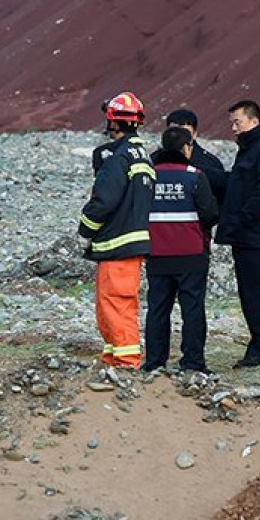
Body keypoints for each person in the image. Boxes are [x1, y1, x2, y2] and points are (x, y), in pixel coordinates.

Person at [78, 91, 155, 369]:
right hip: (126, 245)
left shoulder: (119, 158)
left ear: (113, 121)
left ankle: (125, 362)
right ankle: (113, 358)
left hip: (117, 244)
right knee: (111, 304)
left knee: (117, 304)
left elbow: (104, 200)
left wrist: (85, 228)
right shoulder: (142, 157)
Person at [215, 99, 260, 368]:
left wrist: (241, 219)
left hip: (257, 234)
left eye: (238, 122)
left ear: (253, 121)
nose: (234, 128)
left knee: (258, 291)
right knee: (249, 291)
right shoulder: (250, 148)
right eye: (232, 123)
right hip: (246, 234)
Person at [142, 127, 219, 374]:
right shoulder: (195, 175)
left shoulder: (149, 176)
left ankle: (154, 362)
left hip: (157, 253)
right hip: (191, 254)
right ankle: (193, 362)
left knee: (157, 308)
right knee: (193, 308)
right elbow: (210, 214)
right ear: (187, 148)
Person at [158, 108, 226, 203]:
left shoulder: (210, 164)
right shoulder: (153, 160)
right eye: (174, 131)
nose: (179, 136)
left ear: (194, 134)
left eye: (184, 131)